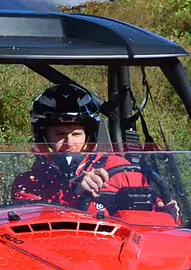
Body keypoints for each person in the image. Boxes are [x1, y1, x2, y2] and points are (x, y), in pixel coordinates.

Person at [9, 84, 165, 217]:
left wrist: (168, 213)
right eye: (59, 134)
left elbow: (153, 222)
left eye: (76, 134)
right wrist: (77, 194)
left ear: (89, 136)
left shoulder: (124, 173)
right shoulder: (29, 184)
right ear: (43, 137)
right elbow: (33, 234)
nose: (69, 142)